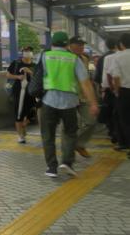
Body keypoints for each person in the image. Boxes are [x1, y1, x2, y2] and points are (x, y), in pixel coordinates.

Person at [39, 32, 99, 178]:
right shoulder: (74, 59)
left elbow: (38, 77)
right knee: (70, 133)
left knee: (48, 135)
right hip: (69, 103)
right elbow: (85, 83)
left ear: (52, 43)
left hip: (49, 101)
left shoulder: (44, 56)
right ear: (67, 45)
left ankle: (51, 168)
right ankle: (67, 162)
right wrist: (93, 103)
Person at [69, 36, 97, 159]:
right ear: (70, 45)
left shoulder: (85, 59)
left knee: (91, 121)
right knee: (71, 126)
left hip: (83, 96)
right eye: (78, 44)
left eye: (82, 45)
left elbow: (86, 79)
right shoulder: (66, 58)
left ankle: (78, 144)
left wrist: (93, 99)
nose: (81, 47)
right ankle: (68, 155)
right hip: (69, 96)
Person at [6, 46, 36, 143]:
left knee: (32, 112)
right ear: (22, 53)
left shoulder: (35, 65)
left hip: (32, 92)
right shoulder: (16, 63)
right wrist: (18, 76)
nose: (28, 53)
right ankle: (20, 136)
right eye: (26, 51)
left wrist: (30, 72)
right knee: (19, 113)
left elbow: (38, 77)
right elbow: (8, 74)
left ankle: (24, 125)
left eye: (29, 51)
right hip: (19, 92)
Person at [109, 33, 130, 157]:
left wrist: (117, 91)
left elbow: (115, 76)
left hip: (124, 92)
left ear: (121, 44)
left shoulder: (118, 57)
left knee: (126, 120)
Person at [96, 38, 120, 144]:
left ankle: (112, 132)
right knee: (118, 112)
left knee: (109, 111)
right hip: (120, 88)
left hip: (107, 89)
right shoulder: (119, 56)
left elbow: (98, 76)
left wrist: (101, 88)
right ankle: (118, 133)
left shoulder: (102, 58)